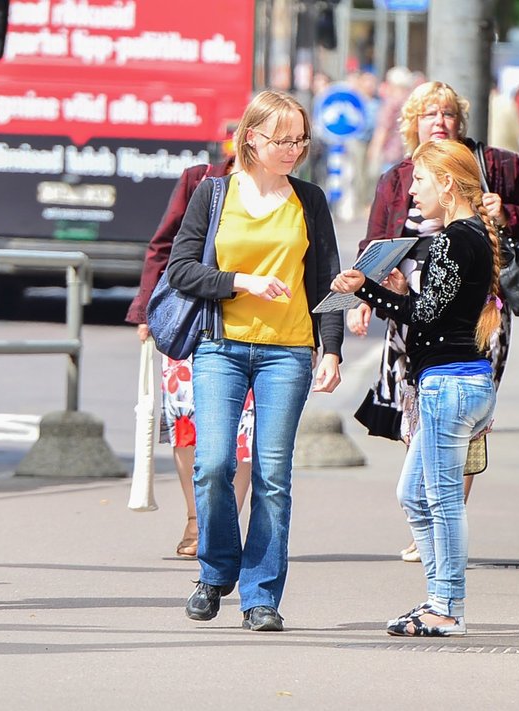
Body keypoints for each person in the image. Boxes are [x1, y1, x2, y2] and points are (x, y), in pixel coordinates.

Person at [166, 90, 344, 632]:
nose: (293, 149)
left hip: (288, 350)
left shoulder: (309, 200)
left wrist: (331, 348)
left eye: (299, 140)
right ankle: (215, 570)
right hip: (220, 345)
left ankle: (261, 594)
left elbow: (328, 281)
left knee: (272, 474)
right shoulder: (213, 193)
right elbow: (179, 270)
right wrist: (239, 282)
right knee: (214, 462)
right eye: (281, 139)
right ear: (251, 137)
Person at [349, 80, 519, 562]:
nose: (440, 122)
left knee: (463, 414)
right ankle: (429, 517)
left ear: (461, 122)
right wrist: (364, 297)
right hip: (408, 302)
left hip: (480, 309)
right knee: (414, 409)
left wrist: (507, 213)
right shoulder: (399, 176)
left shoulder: (493, 166)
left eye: (448, 114)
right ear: (412, 124)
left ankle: (446, 514)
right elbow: (375, 240)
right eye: (429, 114)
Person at [331, 139, 499, 637]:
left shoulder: (453, 239)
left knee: (442, 499)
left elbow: (425, 319)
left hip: (450, 385)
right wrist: (393, 291)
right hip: (456, 382)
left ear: (448, 183)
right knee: (413, 494)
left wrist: (364, 289)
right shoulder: (468, 238)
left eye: (421, 181)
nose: (412, 194)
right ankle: (437, 596)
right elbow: (437, 312)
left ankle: (447, 606)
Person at [124, 150, 253, 559]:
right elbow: (162, 247)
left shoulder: (287, 194)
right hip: (189, 318)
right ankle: (197, 518)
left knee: (243, 430)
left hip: (253, 323)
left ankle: (223, 524)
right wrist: (146, 309)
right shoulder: (200, 180)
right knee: (187, 423)